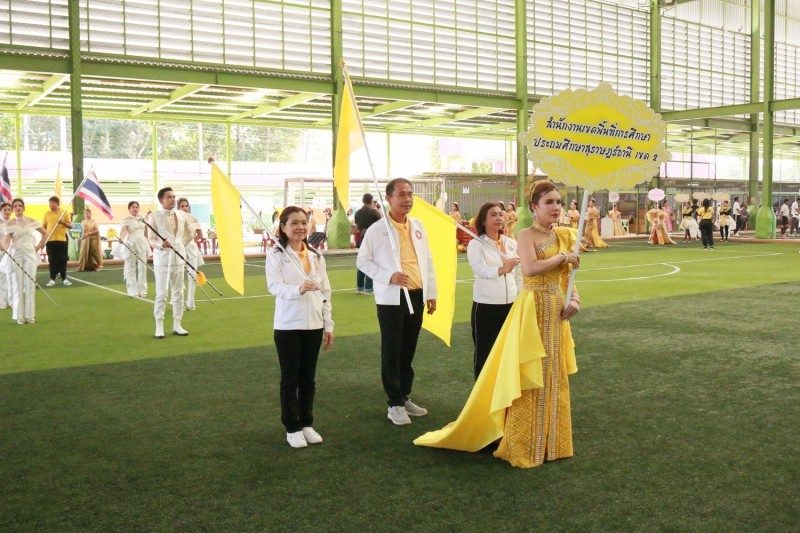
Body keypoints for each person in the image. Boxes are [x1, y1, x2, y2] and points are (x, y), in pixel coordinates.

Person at [414, 180, 581, 468]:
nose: (556, 207)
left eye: (558, 202)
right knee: (526, 371)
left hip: (554, 311)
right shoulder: (526, 235)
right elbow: (529, 268)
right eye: (549, 202)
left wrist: (575, 299)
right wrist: (563, 257)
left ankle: (552, 441)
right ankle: (521, 439)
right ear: (534, 207)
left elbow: (568, 277)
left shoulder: (564, 235)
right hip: (529, 308)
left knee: (553, 371)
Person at [357, 178, 437, 426]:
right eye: (401, 194)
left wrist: (431, 292)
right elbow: (362, 261)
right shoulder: (377, 230)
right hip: (392, 298)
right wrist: (388, 276)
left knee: (408, 349)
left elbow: (427, 261)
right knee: (392, 350)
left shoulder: (418, 226)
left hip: (417, 295)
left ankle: (403, 396)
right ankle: (394, 403)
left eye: (410, 194)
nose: (407, 199)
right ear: (389, 199)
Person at [266, 206, 334, 449]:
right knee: (290, 379)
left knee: (308, 379)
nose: (300, 227)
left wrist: (328, 325)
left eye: (304, 222)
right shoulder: (276, 254)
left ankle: (306, 423)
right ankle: (292, 427)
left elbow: (326, 292)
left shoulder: (316, 256)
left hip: (314, 325)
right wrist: (299, 289)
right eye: (294, 223)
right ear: (283, 227)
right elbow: (274, 286)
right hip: (288, 326)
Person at [467, 202, 521, 379]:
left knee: (509, 352)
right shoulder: (476, 244)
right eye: (493, 215)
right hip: (486, 306)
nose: (498, 218)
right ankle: (483, 393)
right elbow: (479, 270)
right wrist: (502, 269)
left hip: (510, 305)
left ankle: (505, 391)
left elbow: (519, 274)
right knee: (485, 354)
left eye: (500, 214)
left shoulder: (511, 243)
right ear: (483, 220)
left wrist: (520, 296)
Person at [147, 187, 194, 338]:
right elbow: (151, 238)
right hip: (162, 261)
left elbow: (190, 233)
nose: (173, 199)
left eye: (174, 197)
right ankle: (159, 326)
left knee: (178, 293)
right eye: (169, 197)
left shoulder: (182, 215)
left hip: (179, 259)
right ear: (161, 200)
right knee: (161, 294)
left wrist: (180, 245)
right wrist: (161, 245)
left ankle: (177, 324)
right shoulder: (154, 216)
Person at [3, 199, 48, 325]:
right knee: (17, 287)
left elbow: (45, 233)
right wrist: (3, 247)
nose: (18, 208)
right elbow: (7, 242)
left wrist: (38, 247)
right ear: (13, 209)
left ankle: (30, 316)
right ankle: (19, 316)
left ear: (24, 208)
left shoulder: (31, 220)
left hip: (30, 255)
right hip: (16, 255)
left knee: (30, 286)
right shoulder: (10, 223)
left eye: (20, 206)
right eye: (15, 206)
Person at [177, 198, 205, 311]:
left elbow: (199, 235)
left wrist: (192, 241)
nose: (184, 208)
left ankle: (190, 303)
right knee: (178, 276)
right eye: (182, 206)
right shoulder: (176, 219)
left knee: (192, 276)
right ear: (178, 208)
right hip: (179, 249)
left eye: (186, 206)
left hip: (192, 249)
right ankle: (179, 303)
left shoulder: (194, 219)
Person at [119, 201, 149, 298]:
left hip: (142, 243)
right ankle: (133, 290)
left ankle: (142, 290)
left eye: (137, 207)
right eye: (133, 207)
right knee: (131, 267)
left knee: (143, 267)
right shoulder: (126, 220)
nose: (135, 209)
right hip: (131, 244)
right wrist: (121, 238)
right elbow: (123, 231)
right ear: (129, 209)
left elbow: (146, 231)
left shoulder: (143, 218)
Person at [42, 196, 73, 286]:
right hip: (50, 240)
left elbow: (70, 226)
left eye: (52, 203)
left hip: (62, 240)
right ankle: (52, 279)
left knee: (62, 260)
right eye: (49, 203)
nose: (50, 205)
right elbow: (43, 227)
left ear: (57, 203)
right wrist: (43, 239)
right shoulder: (47, 213)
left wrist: (63, 223)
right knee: (52, 260)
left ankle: (64, 278)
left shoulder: (64, 212)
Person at [354, 193, 382, 294]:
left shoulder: (358, 212)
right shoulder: (374, 212)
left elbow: (356, 227)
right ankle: (369, 287)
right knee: (371, 262)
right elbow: (381, 224)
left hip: (362, 238)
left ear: (363, 201)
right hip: (373, 238)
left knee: (362, 260)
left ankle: (359, 287)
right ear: (371, 201)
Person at [0, 202, 13, 310]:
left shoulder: (14, 223)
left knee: (11, 278)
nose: (7, 211)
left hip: (11, 253)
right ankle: (2, 302)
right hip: (1, 253)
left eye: (9, 209)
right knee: (2, 278)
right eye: (5, 210)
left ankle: (11, 301)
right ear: (1, 211)